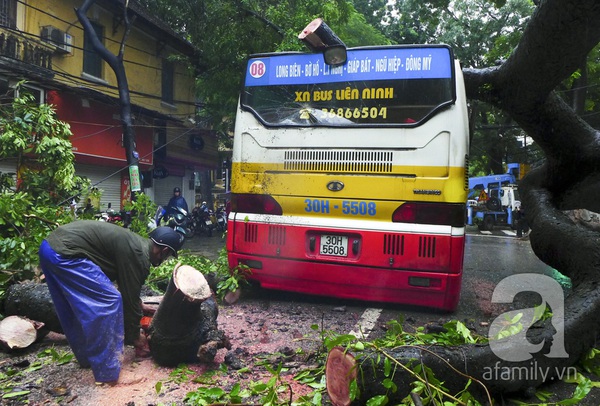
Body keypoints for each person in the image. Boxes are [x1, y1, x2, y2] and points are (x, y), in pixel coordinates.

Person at [38, 221, 184, 385]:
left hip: (49, 248)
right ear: (164, 251)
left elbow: (128, 286)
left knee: (71, 307)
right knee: (110, 301)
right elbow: (127, 298)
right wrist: (135, 336)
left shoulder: (137, 244)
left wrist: (139, 305)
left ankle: (87, 358)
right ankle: (108, 374)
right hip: (66, 253)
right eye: (168, 255)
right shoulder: (139, 255)